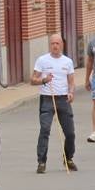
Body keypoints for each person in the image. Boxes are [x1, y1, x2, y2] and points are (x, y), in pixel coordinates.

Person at [31, 34, 76, 174]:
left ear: (61, 45)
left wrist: (71, 93)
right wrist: (44, 80)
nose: (55, 46)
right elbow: (32, 79)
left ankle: (68, 157)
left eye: (57, 43)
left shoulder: (67, 62)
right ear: (49, 45)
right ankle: (41, 161)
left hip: (63, 99)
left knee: (70, 133)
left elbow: (71, 81)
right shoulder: (42, 60)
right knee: (45, 130)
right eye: (52, 43)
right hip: (47, 98)